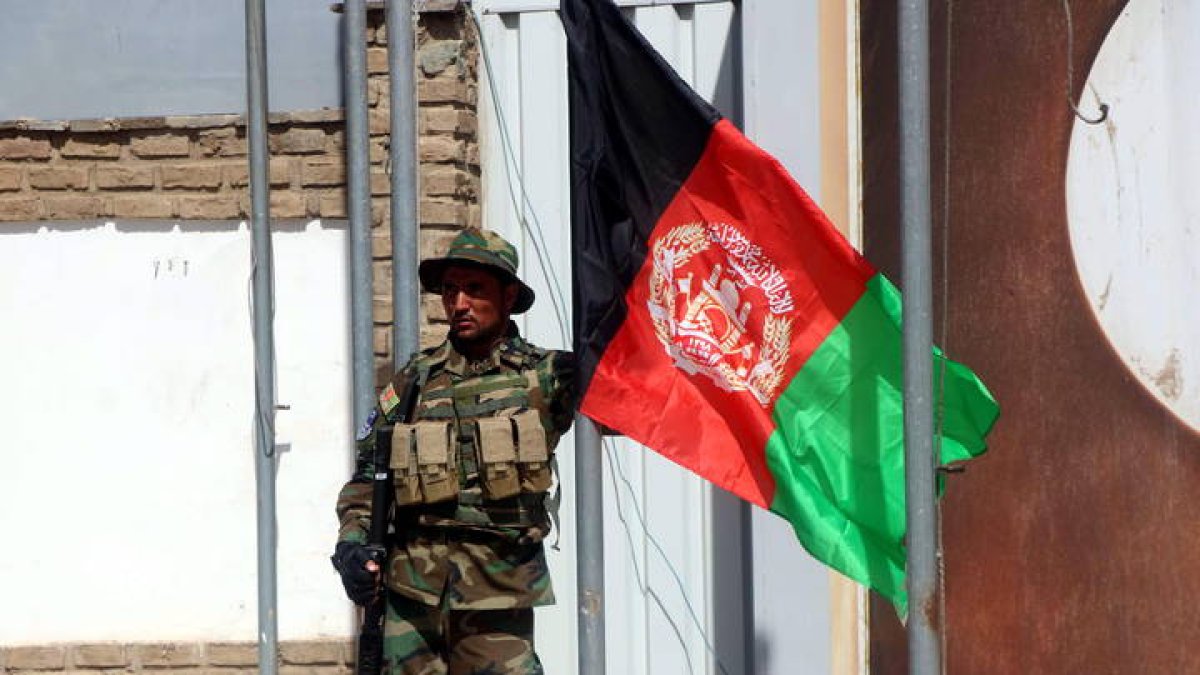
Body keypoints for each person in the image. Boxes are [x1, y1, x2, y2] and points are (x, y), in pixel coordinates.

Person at [332, 228, 575, 674]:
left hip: (497, 598)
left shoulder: (547, 375)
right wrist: (352, 547)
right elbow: (369, 476)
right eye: (449, 290)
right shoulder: (416, 379)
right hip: (412, 598)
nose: (458, 303)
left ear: (508, 295)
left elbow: (625, 391)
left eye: (474, 289)